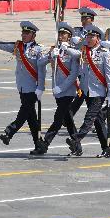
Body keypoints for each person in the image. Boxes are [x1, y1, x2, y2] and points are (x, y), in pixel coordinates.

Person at [0, 21, 48, 153]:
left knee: (24, 112)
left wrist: (41, 87)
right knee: (31, 118)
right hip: (21, 86)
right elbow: (7, 46)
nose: (24, 35)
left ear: (33, 35)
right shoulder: (18, 46)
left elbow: (42, 69)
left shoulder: (39, 50)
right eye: (23, 32)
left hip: (33, 88)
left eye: (27, 33)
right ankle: (39, 145)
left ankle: (10, 131)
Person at [62, 24, 110, 157]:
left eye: (92, 36)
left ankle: (76, 139)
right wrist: (67, 48)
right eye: (88, 36)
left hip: (98, 91)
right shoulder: (84, 50)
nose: (88, 38)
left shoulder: (105, 53)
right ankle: (107, 148)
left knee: (90, 117)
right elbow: (77, 57)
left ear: (98, 38)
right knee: (98, 121)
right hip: (86, 91)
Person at [36, 22, 81, 154]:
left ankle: (45, 143)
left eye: (64, 34)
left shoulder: (72, 52)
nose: (61, 36)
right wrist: (50, 56)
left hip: (68, 90)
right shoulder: (55, 49)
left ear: (69, 36)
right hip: (57, 91)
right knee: (67, 119)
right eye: (60, 34)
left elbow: (73, 74)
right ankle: (77, 146)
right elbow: (40, 63)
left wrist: (61, 88)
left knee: (58, 118)